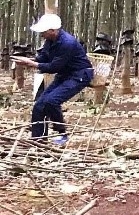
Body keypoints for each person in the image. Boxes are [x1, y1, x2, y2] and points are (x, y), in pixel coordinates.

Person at [13, 13, 93, 146]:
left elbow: (54, 66)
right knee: (39, 105)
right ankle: (38, 140)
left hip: (79, 75)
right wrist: (28, 61)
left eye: (43, 31)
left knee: (51, 101)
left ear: (52, 30)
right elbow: (44, 57)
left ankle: (62, 133)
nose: (41, 34)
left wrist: (33, 64)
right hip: (64, 75)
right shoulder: (50, 41)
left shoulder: (67, 43)